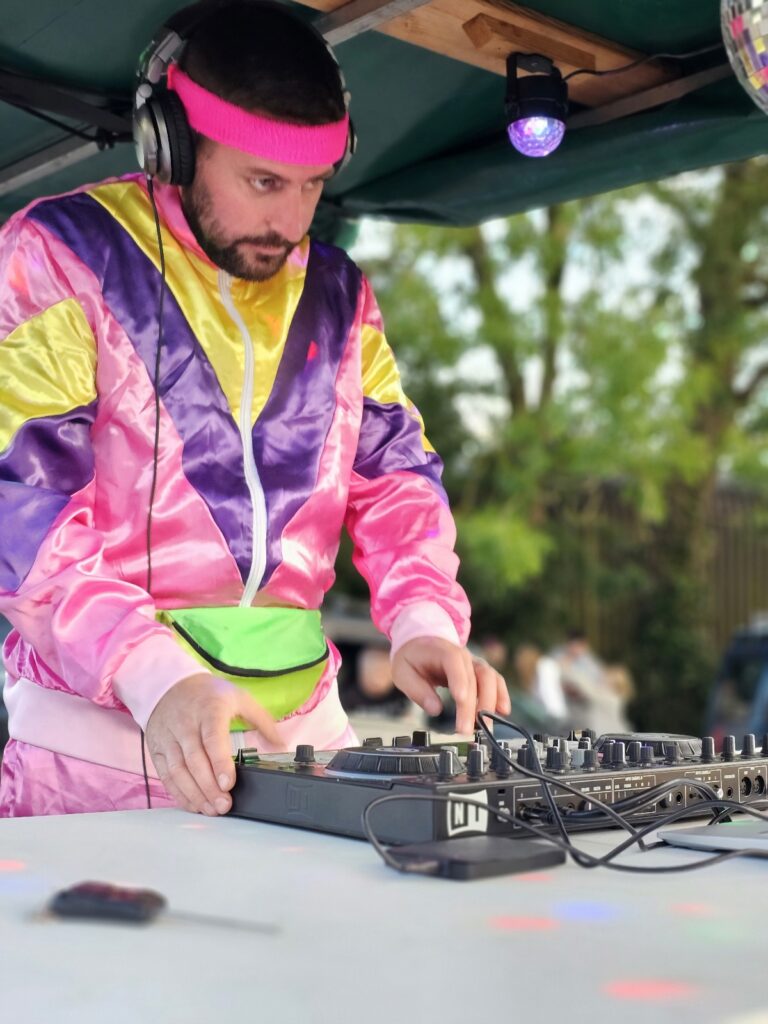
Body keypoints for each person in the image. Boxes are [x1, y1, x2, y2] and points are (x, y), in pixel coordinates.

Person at [0, 0, 509, 817]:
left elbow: (396, 476)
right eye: (263, 182)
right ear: (173, 145)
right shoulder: (59, 252)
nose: (290, 221)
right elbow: (21, 508)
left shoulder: (342, 294)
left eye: (312, 186)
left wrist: (422, 620)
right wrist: (155, 676)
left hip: (306, 747)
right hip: (97, 760)